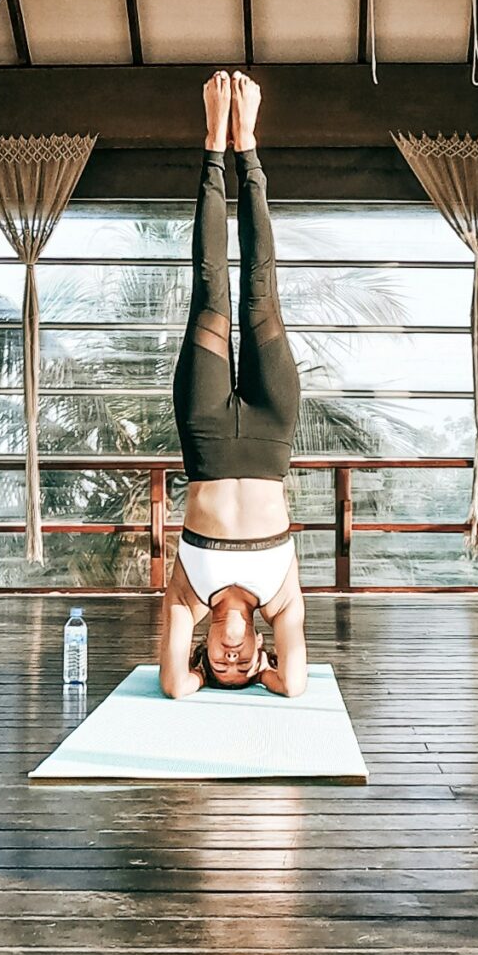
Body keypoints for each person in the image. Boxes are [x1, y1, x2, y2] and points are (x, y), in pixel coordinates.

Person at [159, 71, 309, 699]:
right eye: (240, 665)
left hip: (207, 437)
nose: (228, 658)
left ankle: (214, 147)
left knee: (210, 289)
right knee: (261, 295)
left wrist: (194, 678)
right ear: (257, 650)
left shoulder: (188, 596)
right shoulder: (281, 600)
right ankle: (250, 148)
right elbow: (296, 684)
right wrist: (270, 677)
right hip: (272, 432)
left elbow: (173, 686)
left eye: (216, 666)